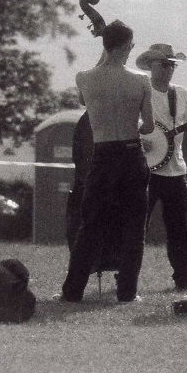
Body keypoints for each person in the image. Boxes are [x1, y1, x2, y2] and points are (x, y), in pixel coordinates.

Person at [61, 20, 154, 303]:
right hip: (130, 154)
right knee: (133, 227)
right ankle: (127, 292)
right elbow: (148, 126)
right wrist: (131, 121)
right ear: (127, 46)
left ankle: (72, 291)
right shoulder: (141, 80)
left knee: (90, 226)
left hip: (101, 157)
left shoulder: (84, 77)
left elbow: (85, 103)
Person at [135, 43, 187, 291]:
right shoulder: (141, 91)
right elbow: (130, 126)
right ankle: (126, 276)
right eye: (164, 65)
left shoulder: (183, 94)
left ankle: (184, 278)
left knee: (182, 228)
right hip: (146, 170)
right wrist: (142, 141)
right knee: (136, 224)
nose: (169, 70)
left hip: (176, 170)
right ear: (151, 66)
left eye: (172, 65)